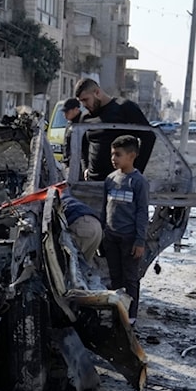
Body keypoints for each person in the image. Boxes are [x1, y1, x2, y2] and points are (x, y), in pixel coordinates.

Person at [101, 135, 149, 326]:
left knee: (130, 278)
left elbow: (142, 212)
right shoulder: (110, 179)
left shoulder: (138, 182)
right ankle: (117, 311)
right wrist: (103, 233)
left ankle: (130, 316)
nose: (114, 158)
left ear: (132, 156)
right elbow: (104, 207)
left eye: (118, 155)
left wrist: (140, 241)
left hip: (129, 238)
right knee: (115, 277)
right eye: (112, 154)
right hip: (111, 236)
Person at [74, 77, 156, 181]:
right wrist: (85, 168)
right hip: (92, 182)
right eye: (81, 101)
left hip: (119, 182)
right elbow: (84, 145)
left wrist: (136, 171)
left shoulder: (124, 108)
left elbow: (149, 136)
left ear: (97, 92)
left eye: (86, 100)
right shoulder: (85, 118)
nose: (84, 105)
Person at [61, 189, 103, 266]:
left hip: (82, 226)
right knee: (84, 266)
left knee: (72, 264)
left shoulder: (43, 201)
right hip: (97, 226)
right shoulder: (65, 197)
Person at [60, 97, 86, 170]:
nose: (65, 115)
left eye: (67, 112)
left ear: (76, 109)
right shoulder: (70, 123)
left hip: (79, 165)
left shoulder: (83, 123)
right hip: (69, 163)